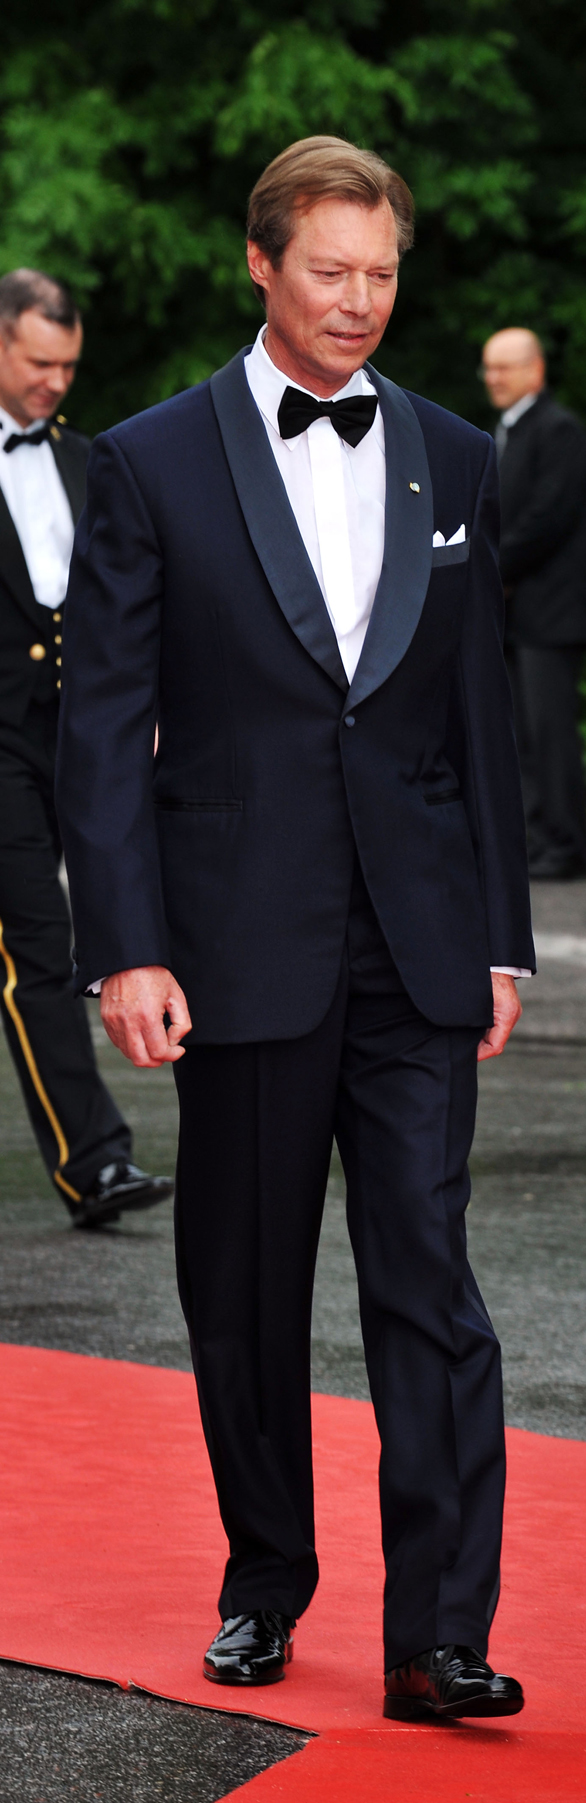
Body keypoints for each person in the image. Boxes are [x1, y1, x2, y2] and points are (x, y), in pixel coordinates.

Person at [56, 137, 534, 1720]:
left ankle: (440, 1631)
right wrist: (126, 944)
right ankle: (266, 1576)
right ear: (259, 265)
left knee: (433, 1287)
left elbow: (483, 717)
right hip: (233, 946)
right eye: (330, 269)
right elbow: (105, 723)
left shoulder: (460, 456)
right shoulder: (145, 458)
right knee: (245, 1295)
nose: (360, 300)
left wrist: (504, 939)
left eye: (383, 272)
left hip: (416, 948)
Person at [0, 268, 172, 1227]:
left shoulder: (88, 460)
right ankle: (95, 1159)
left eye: (68, 365)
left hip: (83, 735)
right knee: (39, 944)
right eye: (37, 362)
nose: (55, 382)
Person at [481, 327, 586, 880]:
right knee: (521, 734)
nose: (493, 378)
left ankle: (565, 845)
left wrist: (487, 568)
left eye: (504, 368)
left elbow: (545, 521)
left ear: (535, 370)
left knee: (550, 734)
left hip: (552, 616)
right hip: (516, 615)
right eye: (488, 368)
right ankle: (536, 842)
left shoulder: (559, 431)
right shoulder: (506, 432)